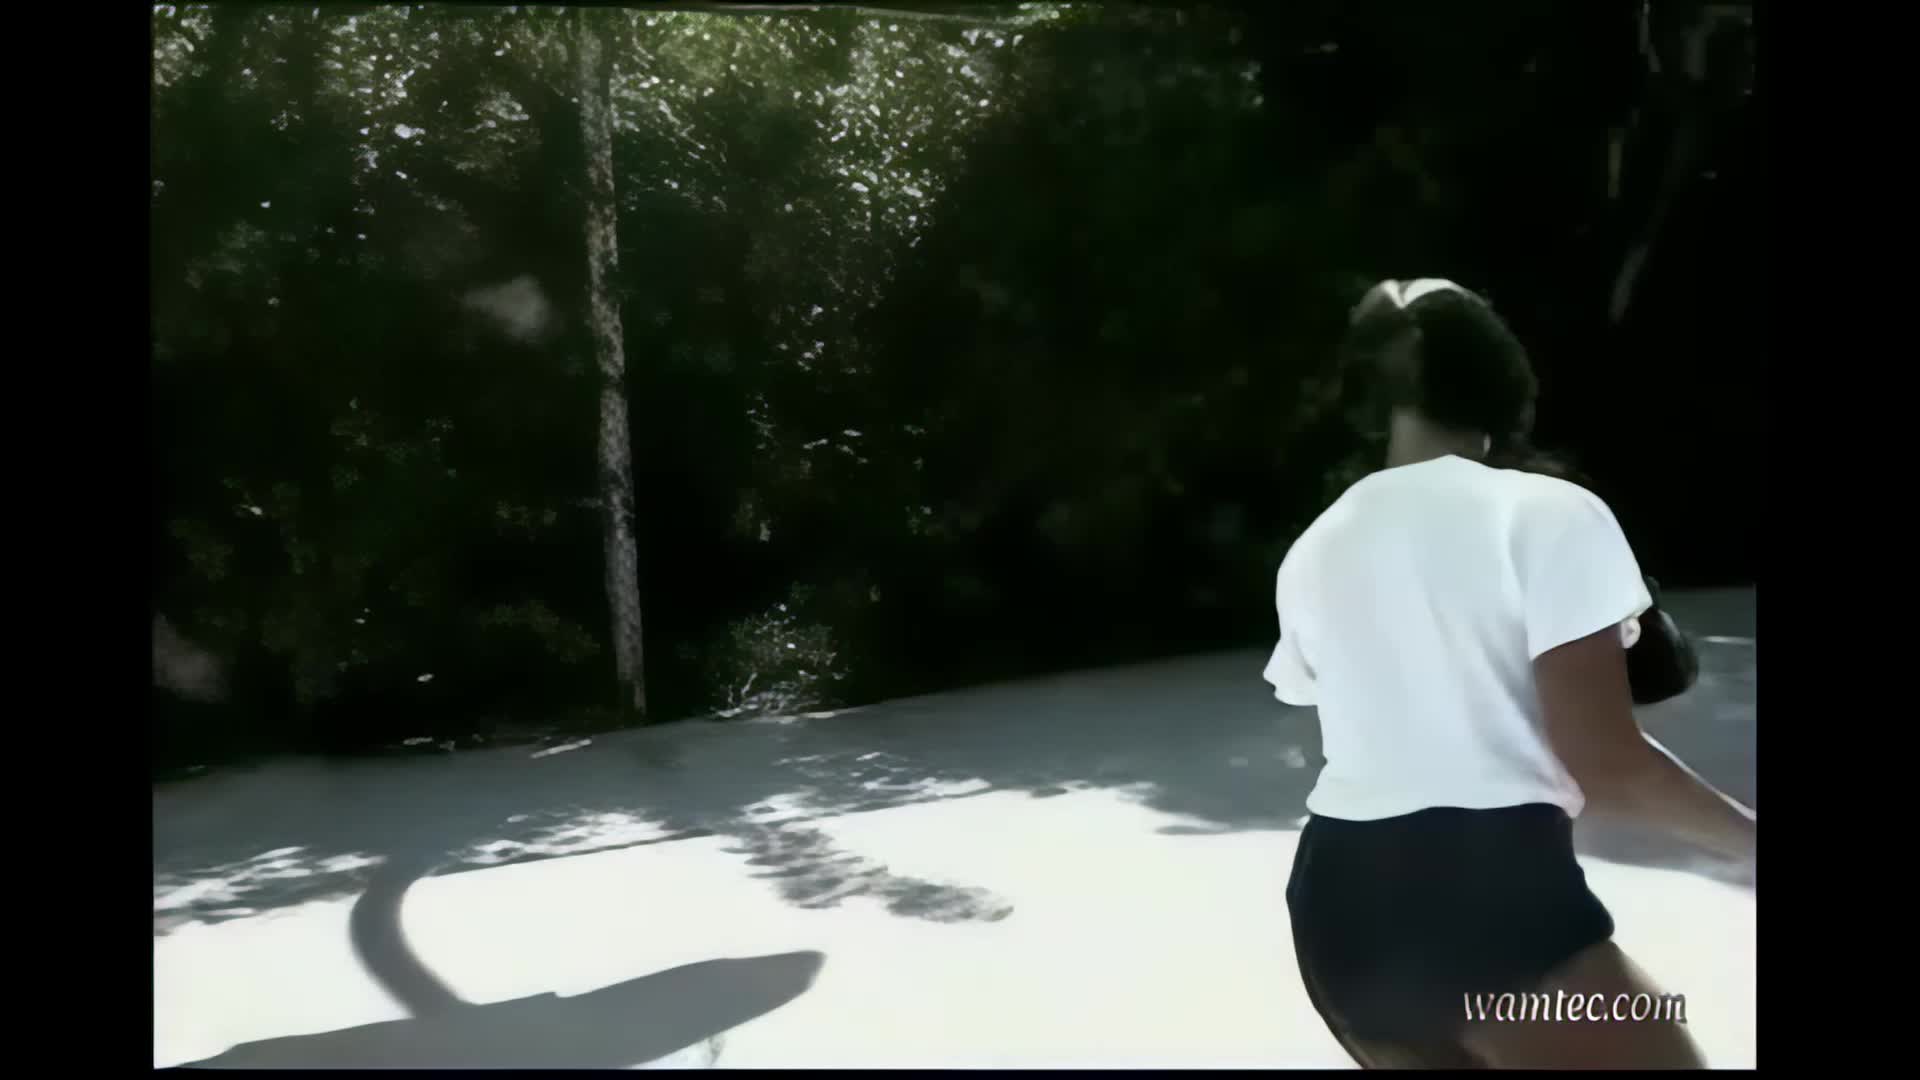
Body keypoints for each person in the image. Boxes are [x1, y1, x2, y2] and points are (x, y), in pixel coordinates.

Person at [1268, 278, 1755, 1068]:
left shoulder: (1314, 549)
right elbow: (1608, 768)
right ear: (1501, 379)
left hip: (1337, 917)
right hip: (1488, 907)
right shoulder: (1547, 513)